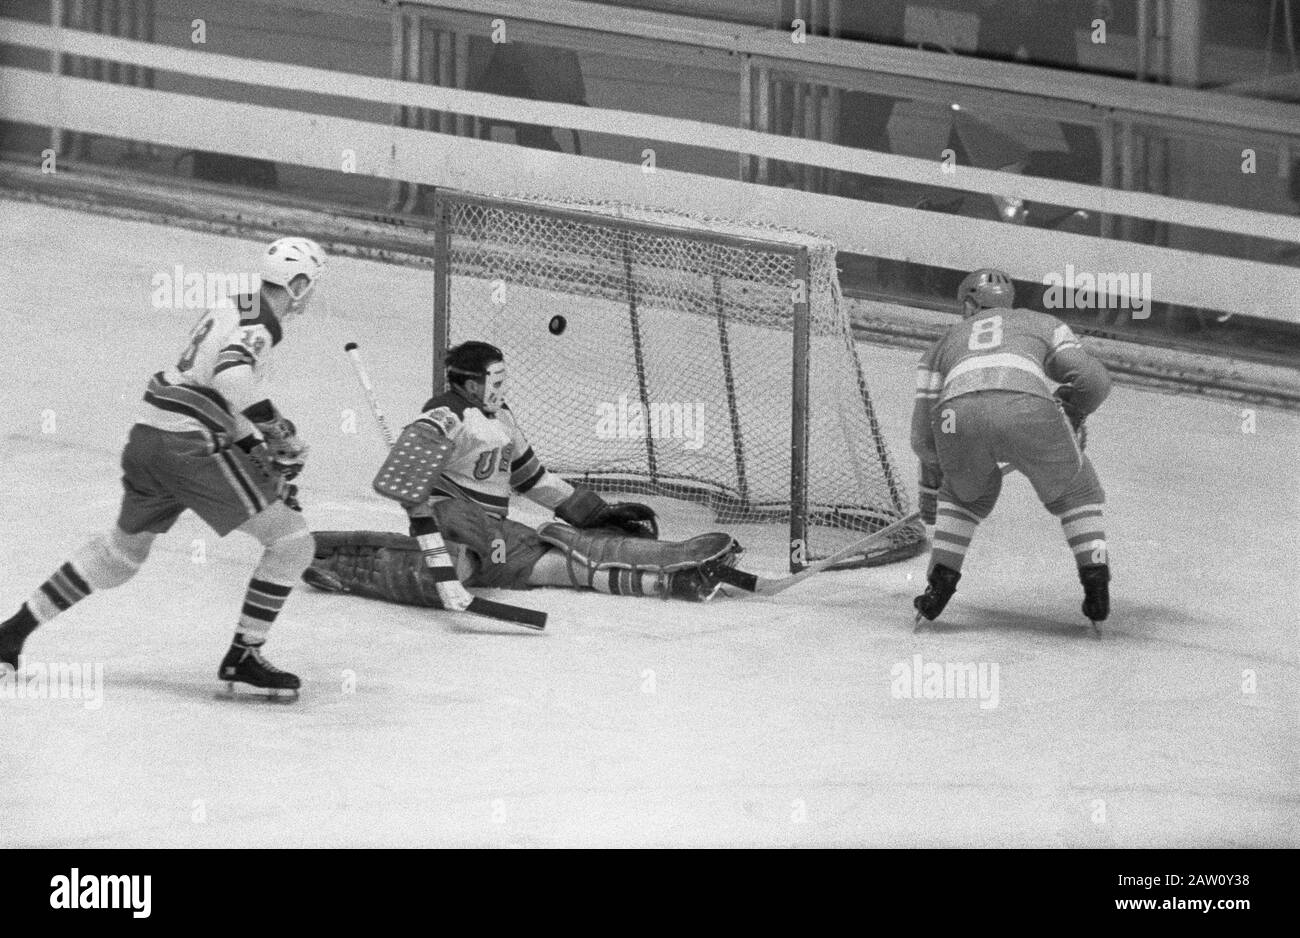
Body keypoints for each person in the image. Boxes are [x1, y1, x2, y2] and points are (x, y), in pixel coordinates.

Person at [0, 237, 326, 695]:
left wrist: (253, 445)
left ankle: (8, 636)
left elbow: (210, 382)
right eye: (311, 285)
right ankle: (244, 655)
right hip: (186, 445)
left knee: (120, 558)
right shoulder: (262, 321)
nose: (312, 295)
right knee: (292, 543)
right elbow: (232, 376)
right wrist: (277, 430)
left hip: (150, 436)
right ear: (296, 283)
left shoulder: (234, 305)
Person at [305, 341, 741, 607]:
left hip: (491, 531)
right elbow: (406, 467)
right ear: (471, 384)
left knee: (557, 562)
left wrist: (590, 512)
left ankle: (674, 578)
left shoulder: (502, 419)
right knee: (481, 548)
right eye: (494, 381)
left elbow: (533, 480)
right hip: (454, 516)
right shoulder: (447, 414)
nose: (501, 389)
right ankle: (401, 563)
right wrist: (413, 460)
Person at [910, 268, 1112, 630]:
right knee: (1077, 490)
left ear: (970, 306)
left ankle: (936, 590)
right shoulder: (1042, 323)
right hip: (1029, 408)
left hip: (957, 416)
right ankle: (1096, 586)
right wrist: (1072, 409)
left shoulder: (939, 346)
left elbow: (923, 439)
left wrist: (943, 475)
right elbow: (1094, 382)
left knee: (963, 499)